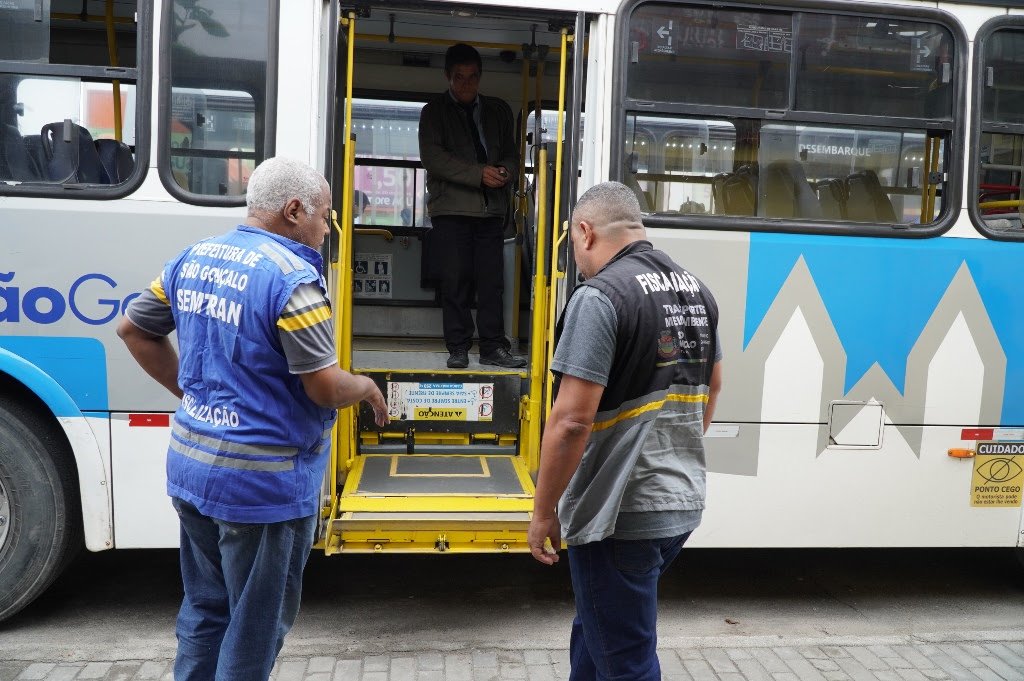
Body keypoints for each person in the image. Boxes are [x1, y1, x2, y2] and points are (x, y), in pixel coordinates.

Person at [117, 157, 388, 681]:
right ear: (294, 210)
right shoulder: (293, 278)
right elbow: (325, 386)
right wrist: (369, 388)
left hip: (192, 471)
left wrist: (193, 394)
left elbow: (132, 329)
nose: (324, 230)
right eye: (325, 216)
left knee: (205, 611)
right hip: (262, 489)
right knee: (254, 627)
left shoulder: (192, 258)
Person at [527, 181, 723, 681]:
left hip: (618, 512)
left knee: (625, 662)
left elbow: (571, 421)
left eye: (574, 244)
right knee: (596, 631)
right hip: (678, 500)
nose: (578, 257)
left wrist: (543, 512)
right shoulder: (695, 290)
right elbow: (714, 387)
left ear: (585, 232)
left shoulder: (600, 297)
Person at [419, 42, 525, 369]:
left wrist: (505, 172)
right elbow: (434, 159)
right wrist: (480, 174)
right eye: (459, 77)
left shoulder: (497, 111)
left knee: (492, 283)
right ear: (448, 77)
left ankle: (493, 347)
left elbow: (510, 152)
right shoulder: (434, 112)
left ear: (480, 77)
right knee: (456, 281)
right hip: (451, 211)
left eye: (472, 77)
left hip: (491, 212)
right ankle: (459, 347)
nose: (466, 83)